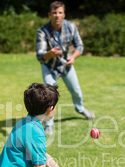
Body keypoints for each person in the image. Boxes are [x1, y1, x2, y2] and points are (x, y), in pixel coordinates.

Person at [36, 1, 94, 135]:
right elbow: (40, 56)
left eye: (60, 12)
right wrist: (50, 54)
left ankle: (80, 109)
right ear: (49, 14)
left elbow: (79, 46)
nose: (57, 15)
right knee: (50, 97)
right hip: (49, 66)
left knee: (77, 91)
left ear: (64, 14)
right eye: (54, 13)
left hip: (66, 65)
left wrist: (73, 57)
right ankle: (48, 124)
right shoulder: (42, 31)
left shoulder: (71, 27)